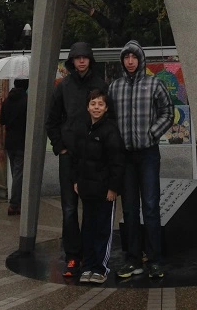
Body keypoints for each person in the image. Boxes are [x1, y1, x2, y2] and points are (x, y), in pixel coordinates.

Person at [46, 42, 111, 279]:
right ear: (71, 61)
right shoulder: (63, 86)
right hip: (70, 155)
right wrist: (60, 147)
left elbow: (107, 119)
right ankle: (73, 255)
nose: (81, 61)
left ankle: (92, 255)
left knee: (92, 208)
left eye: (85, 57)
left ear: (90, 60)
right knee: (69, 207)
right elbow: (51, 120)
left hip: (93, 156)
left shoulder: (100, 86)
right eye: (77, 57)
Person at [109, 40, 173, 279]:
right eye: (126, 57)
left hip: (148, 154)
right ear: (122, 61)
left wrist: (152, 133)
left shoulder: (154, 84)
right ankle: (133, 259)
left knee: (150, 206)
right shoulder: (114, 87)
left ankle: (154, 259)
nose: (130, 61)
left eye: (134, 57)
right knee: (130, 209)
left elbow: (168, 111)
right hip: (125, 157)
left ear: (141, 59)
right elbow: (109, 118)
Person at [72, 88, 125, 284]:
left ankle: (101, 268)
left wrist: (113, 188)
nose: (96, 107)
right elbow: (78, 158)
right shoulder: (83, 128)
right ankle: (88, 266)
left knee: (103, 229)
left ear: (106, 108)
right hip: (87, 189)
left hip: (104, 191)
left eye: (100, 104)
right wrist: (76, 180)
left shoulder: (110, 130)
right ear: (87, 106)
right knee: (88, 227)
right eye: (93, 104)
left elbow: (117, 162)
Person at [0, 77, 29, 216]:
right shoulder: (27, 101)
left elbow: (2, 120)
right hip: (22, 141)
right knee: (18, 173)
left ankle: (17, 200)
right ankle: (15, 203)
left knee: (15, 172)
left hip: (10, 141)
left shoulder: (7, 101)